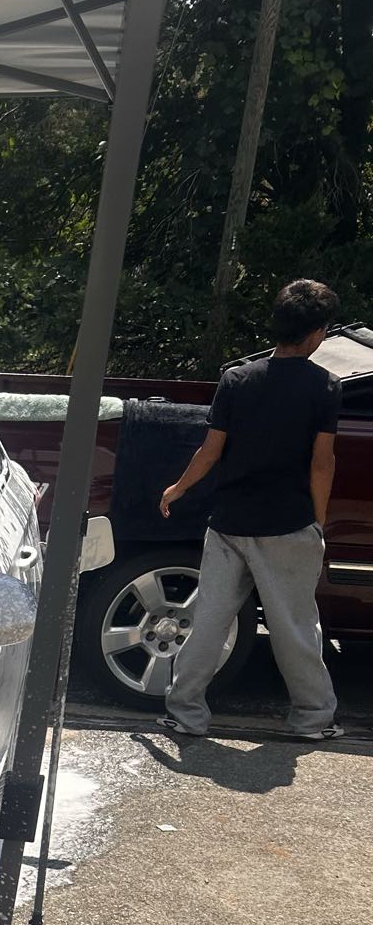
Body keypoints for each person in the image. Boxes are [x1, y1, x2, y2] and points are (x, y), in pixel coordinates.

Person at [158, 277, 343, 740]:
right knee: (294, 629)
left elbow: (211, 450)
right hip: (288, 524)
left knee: (209, 622)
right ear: (318, 333)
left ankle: (185, 714)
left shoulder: (237, 380)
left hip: (229, 525)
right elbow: (323, 462)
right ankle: (312, 719)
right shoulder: (325, 386)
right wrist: (317, 520)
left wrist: (178, 488)